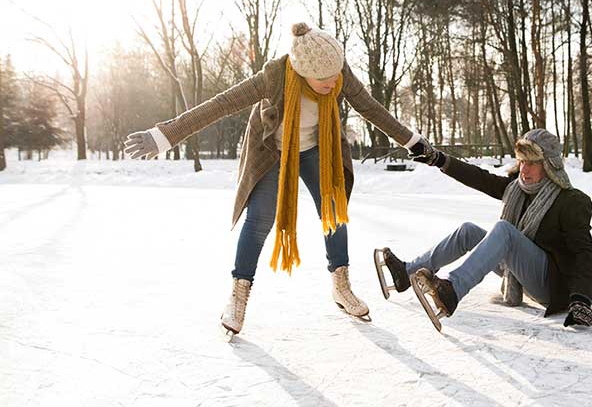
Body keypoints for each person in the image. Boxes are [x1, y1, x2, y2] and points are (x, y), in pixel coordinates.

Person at [124, 22, 423, 334]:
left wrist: (413, 142)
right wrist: (165, 136)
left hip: (316, 149)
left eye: (336, 76)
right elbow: (221, 104)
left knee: (334, 212)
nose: (334, 83)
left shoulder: (338, 72)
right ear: (303, 70)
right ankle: (238, 297)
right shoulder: (275, 75)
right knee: (259, 219)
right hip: (274, 150)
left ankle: (341, 285)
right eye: (324, 79)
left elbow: (372, 110)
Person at [380, 128, 592, 328]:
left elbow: (585, 252)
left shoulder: (571, 201)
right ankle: (406, 273)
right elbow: (479, 178)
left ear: (549, 164)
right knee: (468, 231)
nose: (524, 169)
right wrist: (439, 159)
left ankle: (453, 290)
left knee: (504, 231)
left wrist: (581, 299)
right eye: (522, 162)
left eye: (532, 163)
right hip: (518, 272)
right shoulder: (516, 189)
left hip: (549, 284)